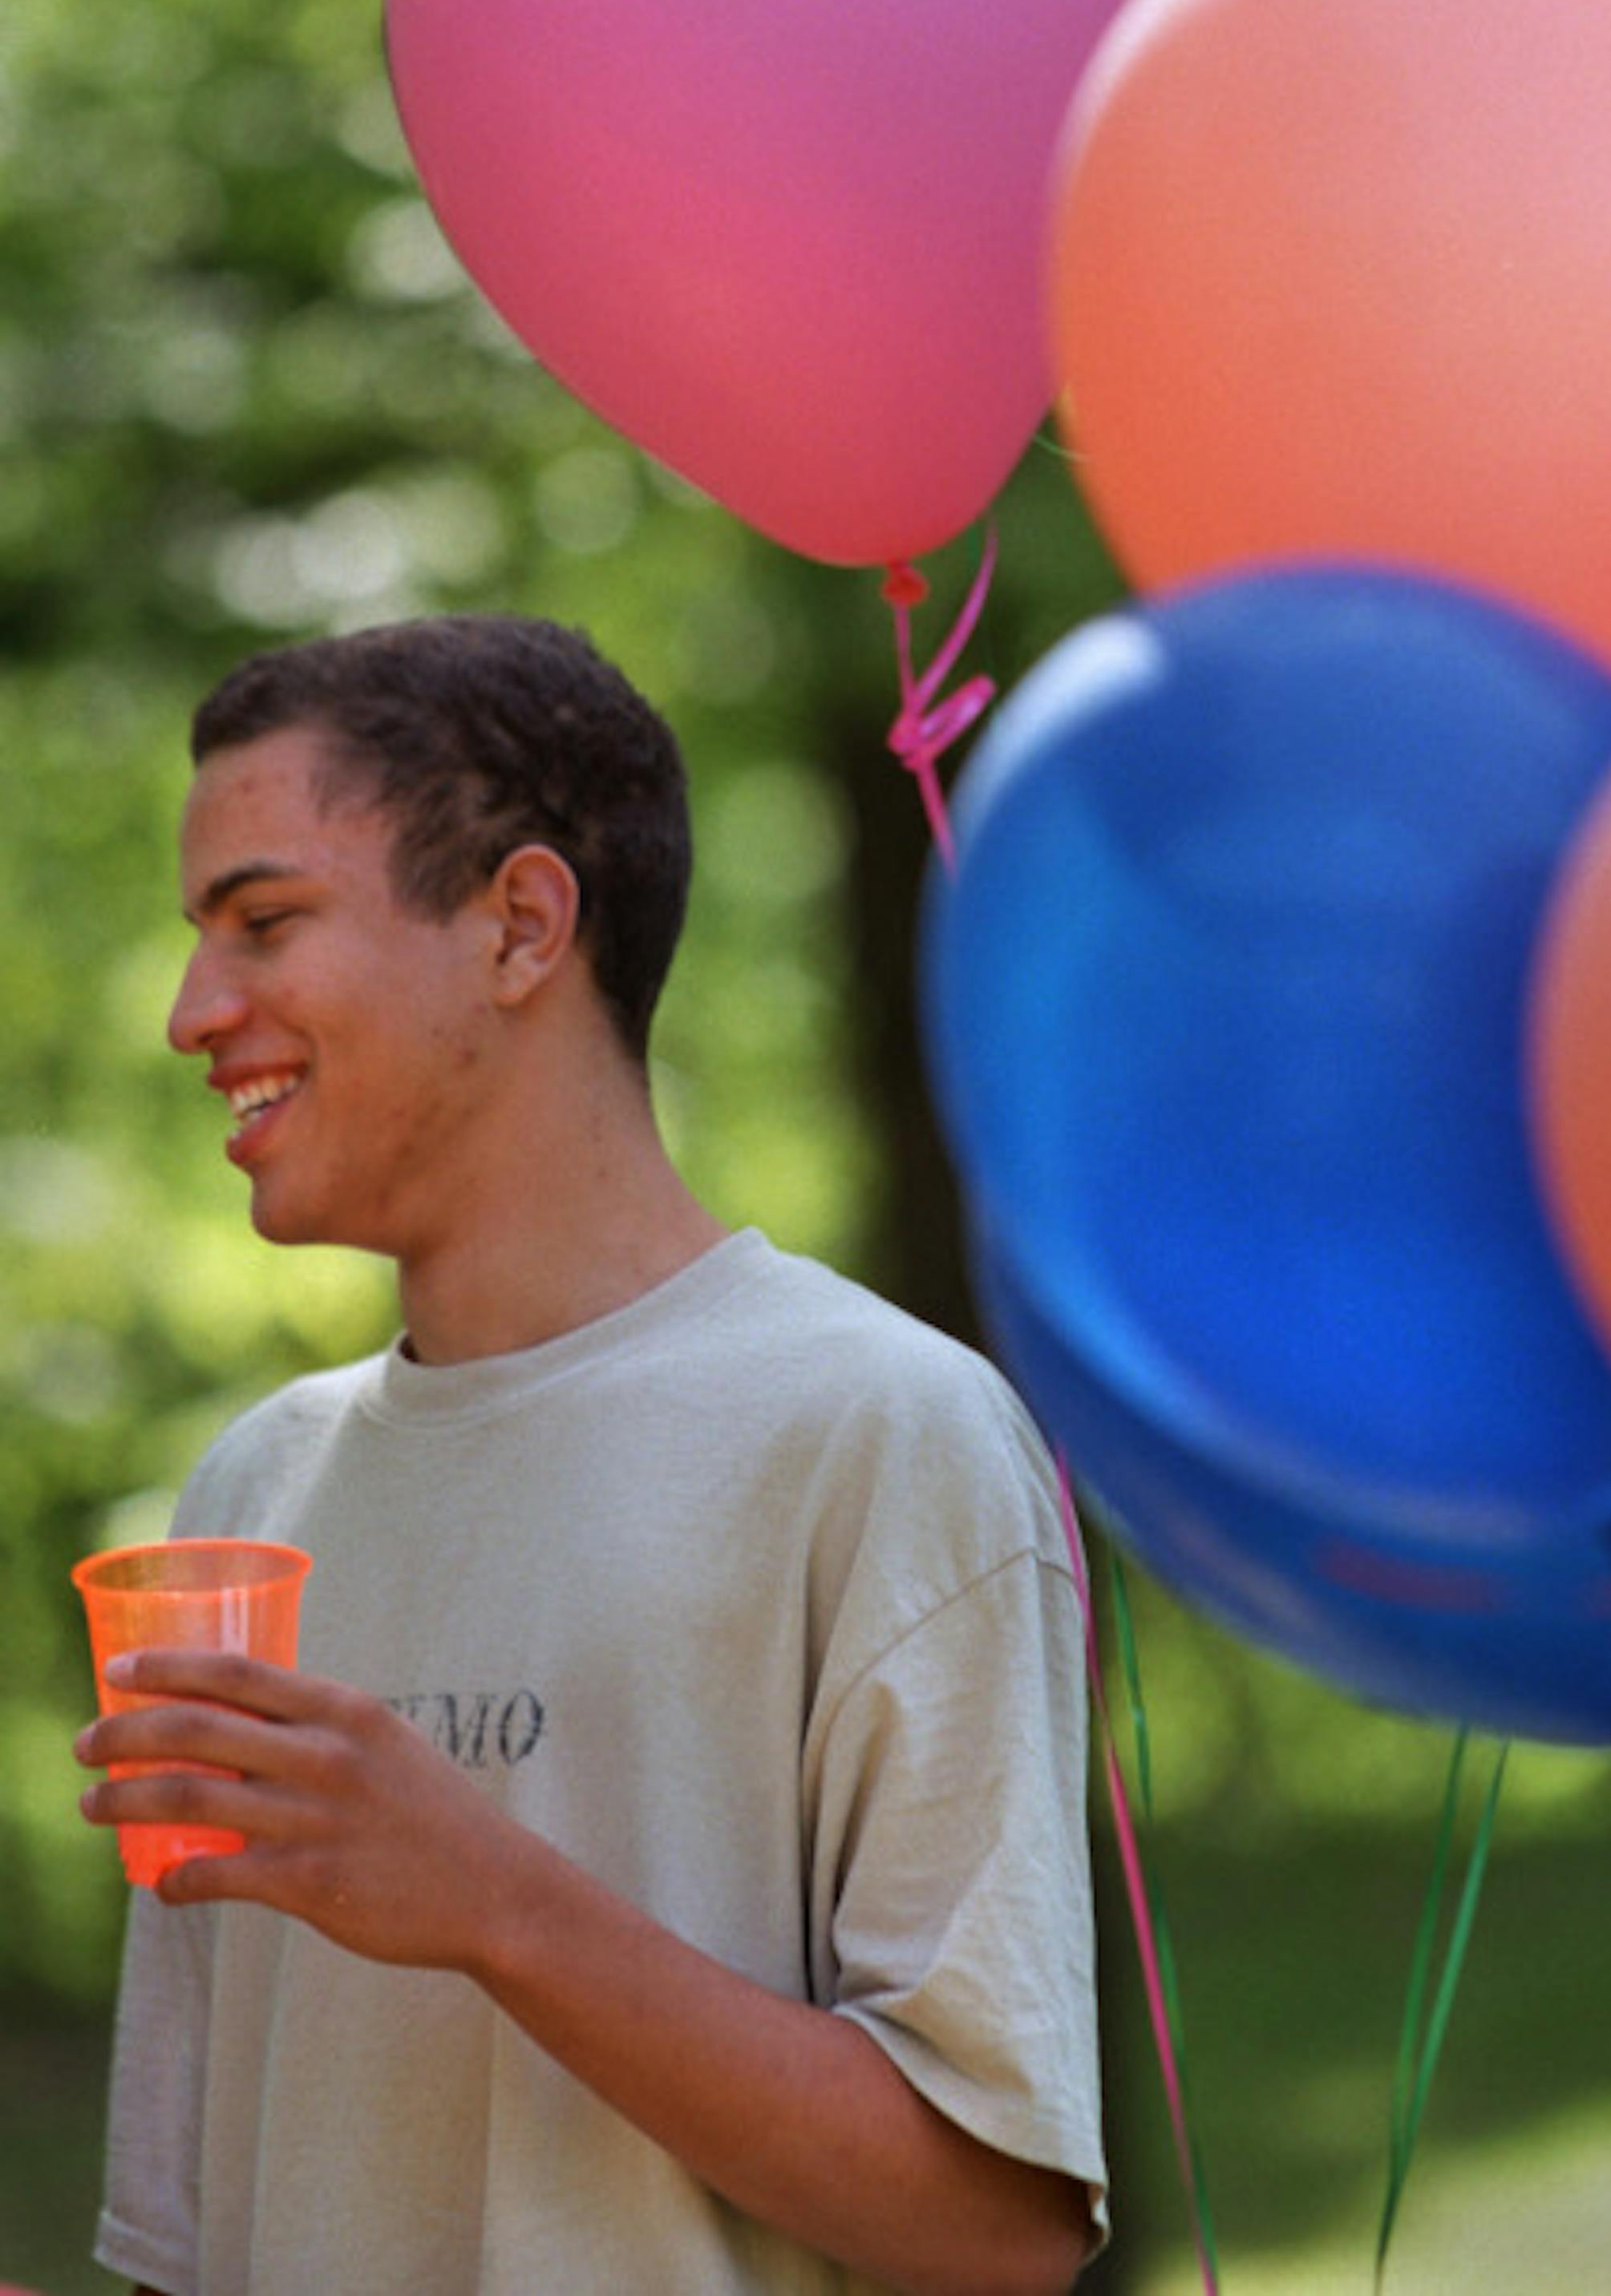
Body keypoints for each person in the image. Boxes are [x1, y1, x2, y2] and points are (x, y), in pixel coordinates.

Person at [76, 614, 1107, 2296]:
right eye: (201, 938)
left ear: (522, 923)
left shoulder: (878, 1431)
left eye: (264, 922)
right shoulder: (251, 1493)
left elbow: (995, 2235)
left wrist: (494, 1896)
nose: (197, 1009)